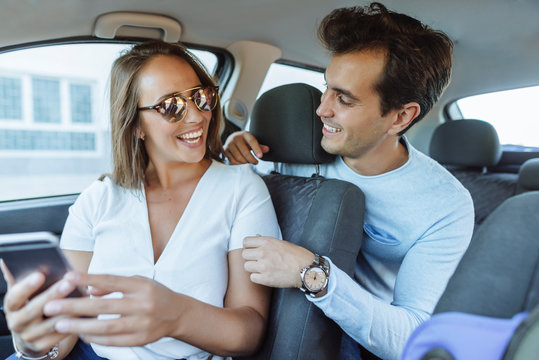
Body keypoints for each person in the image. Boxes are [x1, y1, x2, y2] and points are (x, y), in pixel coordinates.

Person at [1, 40, 280, 360]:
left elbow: (249, 332)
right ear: (135, 125)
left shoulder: (242, 190)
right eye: (172, 106)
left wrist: (178, 315)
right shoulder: (98, 199)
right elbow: (63, 330)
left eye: (201, 97)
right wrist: (34, 345)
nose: (196, 117)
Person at [226, 3, 474, 360]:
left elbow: (414, 336)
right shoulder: (294, 151)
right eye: (326, 89)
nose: (321, 109)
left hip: (366, 339)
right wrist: (234, 154)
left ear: (400, 117)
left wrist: (312, 274)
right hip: (279, 317)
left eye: (344, 99)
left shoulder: (445, 206)